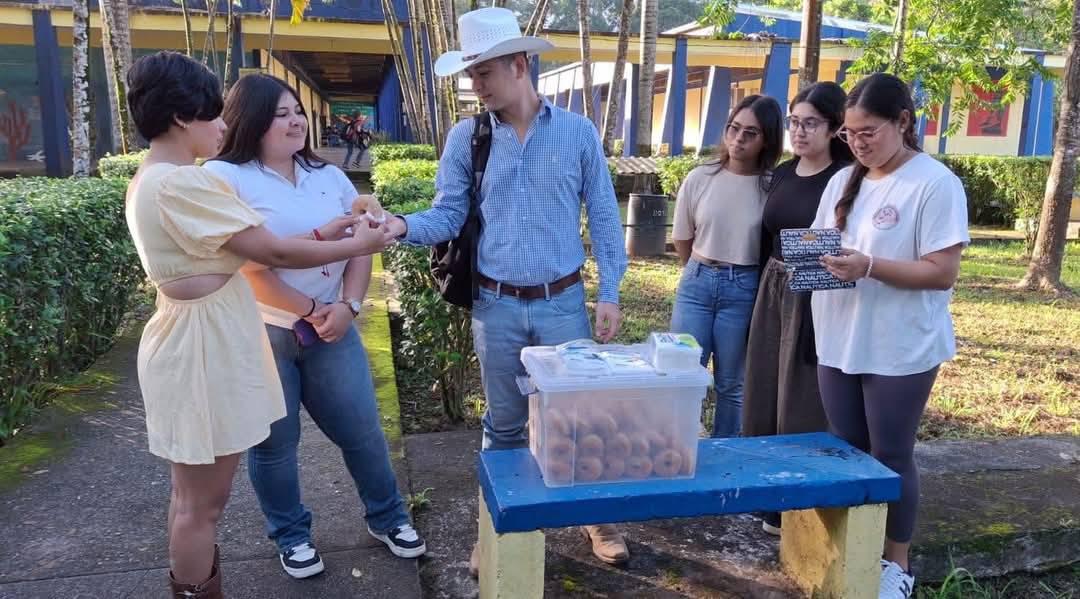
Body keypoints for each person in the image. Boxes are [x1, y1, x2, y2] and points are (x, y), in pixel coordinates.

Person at [123, 51, 394, 598]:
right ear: (182, 117)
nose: (223, 124)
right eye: (212, 113)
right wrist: (366, 239)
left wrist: (329, 233)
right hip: (203, 346)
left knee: (193, 499)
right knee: (203, 506)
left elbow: (250, 248)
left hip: (192, 336)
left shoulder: (154, 178)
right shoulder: (183, 183)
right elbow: (269, 251)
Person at [382, 7, 629, 573]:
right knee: (504, 426)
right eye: (471, 75)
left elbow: (604, 217)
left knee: (575, 416)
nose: (476, 85)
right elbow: (448, 215)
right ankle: (497, 528)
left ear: (520, 65)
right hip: (496, 306)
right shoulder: (466, 138)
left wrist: (609, 290)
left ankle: (595, 518)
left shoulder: (577, 132)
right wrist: (398, 225)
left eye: (485, 73)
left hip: (564, 302)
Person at [204, 73, 426, 580]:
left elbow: (362, 241)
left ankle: (388, 517)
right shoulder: (224, 178)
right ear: (250, 119)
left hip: (333, 326)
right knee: (275, 446)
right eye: (280, 114)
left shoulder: (324, 174)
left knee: (363, 431)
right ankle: (292, 534)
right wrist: (307, 309)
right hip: (263, 331)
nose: (295, 121)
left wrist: (348, 305)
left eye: (298, 112)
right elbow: (247, 265)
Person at [809, 73, 969, 599]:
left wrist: (870, 265)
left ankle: (896, 567)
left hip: (900, 344)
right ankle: (854, 551)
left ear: (903, 122)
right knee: (849, 449)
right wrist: (808, 262)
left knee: (891, 452)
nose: (857, 143)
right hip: (839, 335)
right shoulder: (843, 180)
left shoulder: (934, 183)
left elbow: (940, 271)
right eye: (849, 134)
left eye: (868, 132)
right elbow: (822, 244)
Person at [741, 82, 852, 535]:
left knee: (801, 391)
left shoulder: (846, 177)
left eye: (811, 123)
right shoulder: (784, 174)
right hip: (773, 286)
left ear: (834, 128)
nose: (800, 132)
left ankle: (796, 501)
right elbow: (769, 238)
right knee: (765, 385)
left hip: (817, 291)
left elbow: (846, 242)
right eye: (794, 122)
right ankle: (764, 492)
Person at [670, 94, 784, 438]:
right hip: (697, 281)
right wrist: (700, 269)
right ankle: (677, 446)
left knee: (731, 383)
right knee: (682, 373)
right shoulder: (700, 177)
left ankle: (724, 453)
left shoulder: (771, 186)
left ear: (767, 139)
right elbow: (682, 238)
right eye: (733, 128)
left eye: (751, 133)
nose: (738, 139)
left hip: (744, 287)